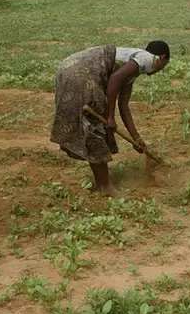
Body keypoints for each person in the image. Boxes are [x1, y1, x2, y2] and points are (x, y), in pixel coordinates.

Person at [50, 41, 170, 197]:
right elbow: (113, 80)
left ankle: (102, 183)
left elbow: (124, 105)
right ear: (162, 57)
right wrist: (110, 117)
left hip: (68, 69)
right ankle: (105, 187)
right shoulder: (148, 59)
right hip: (83, 73)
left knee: (90, 129)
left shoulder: (132, 66)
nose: (160, 69)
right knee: (94, 129)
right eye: (164, 65)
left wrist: (137, 138)